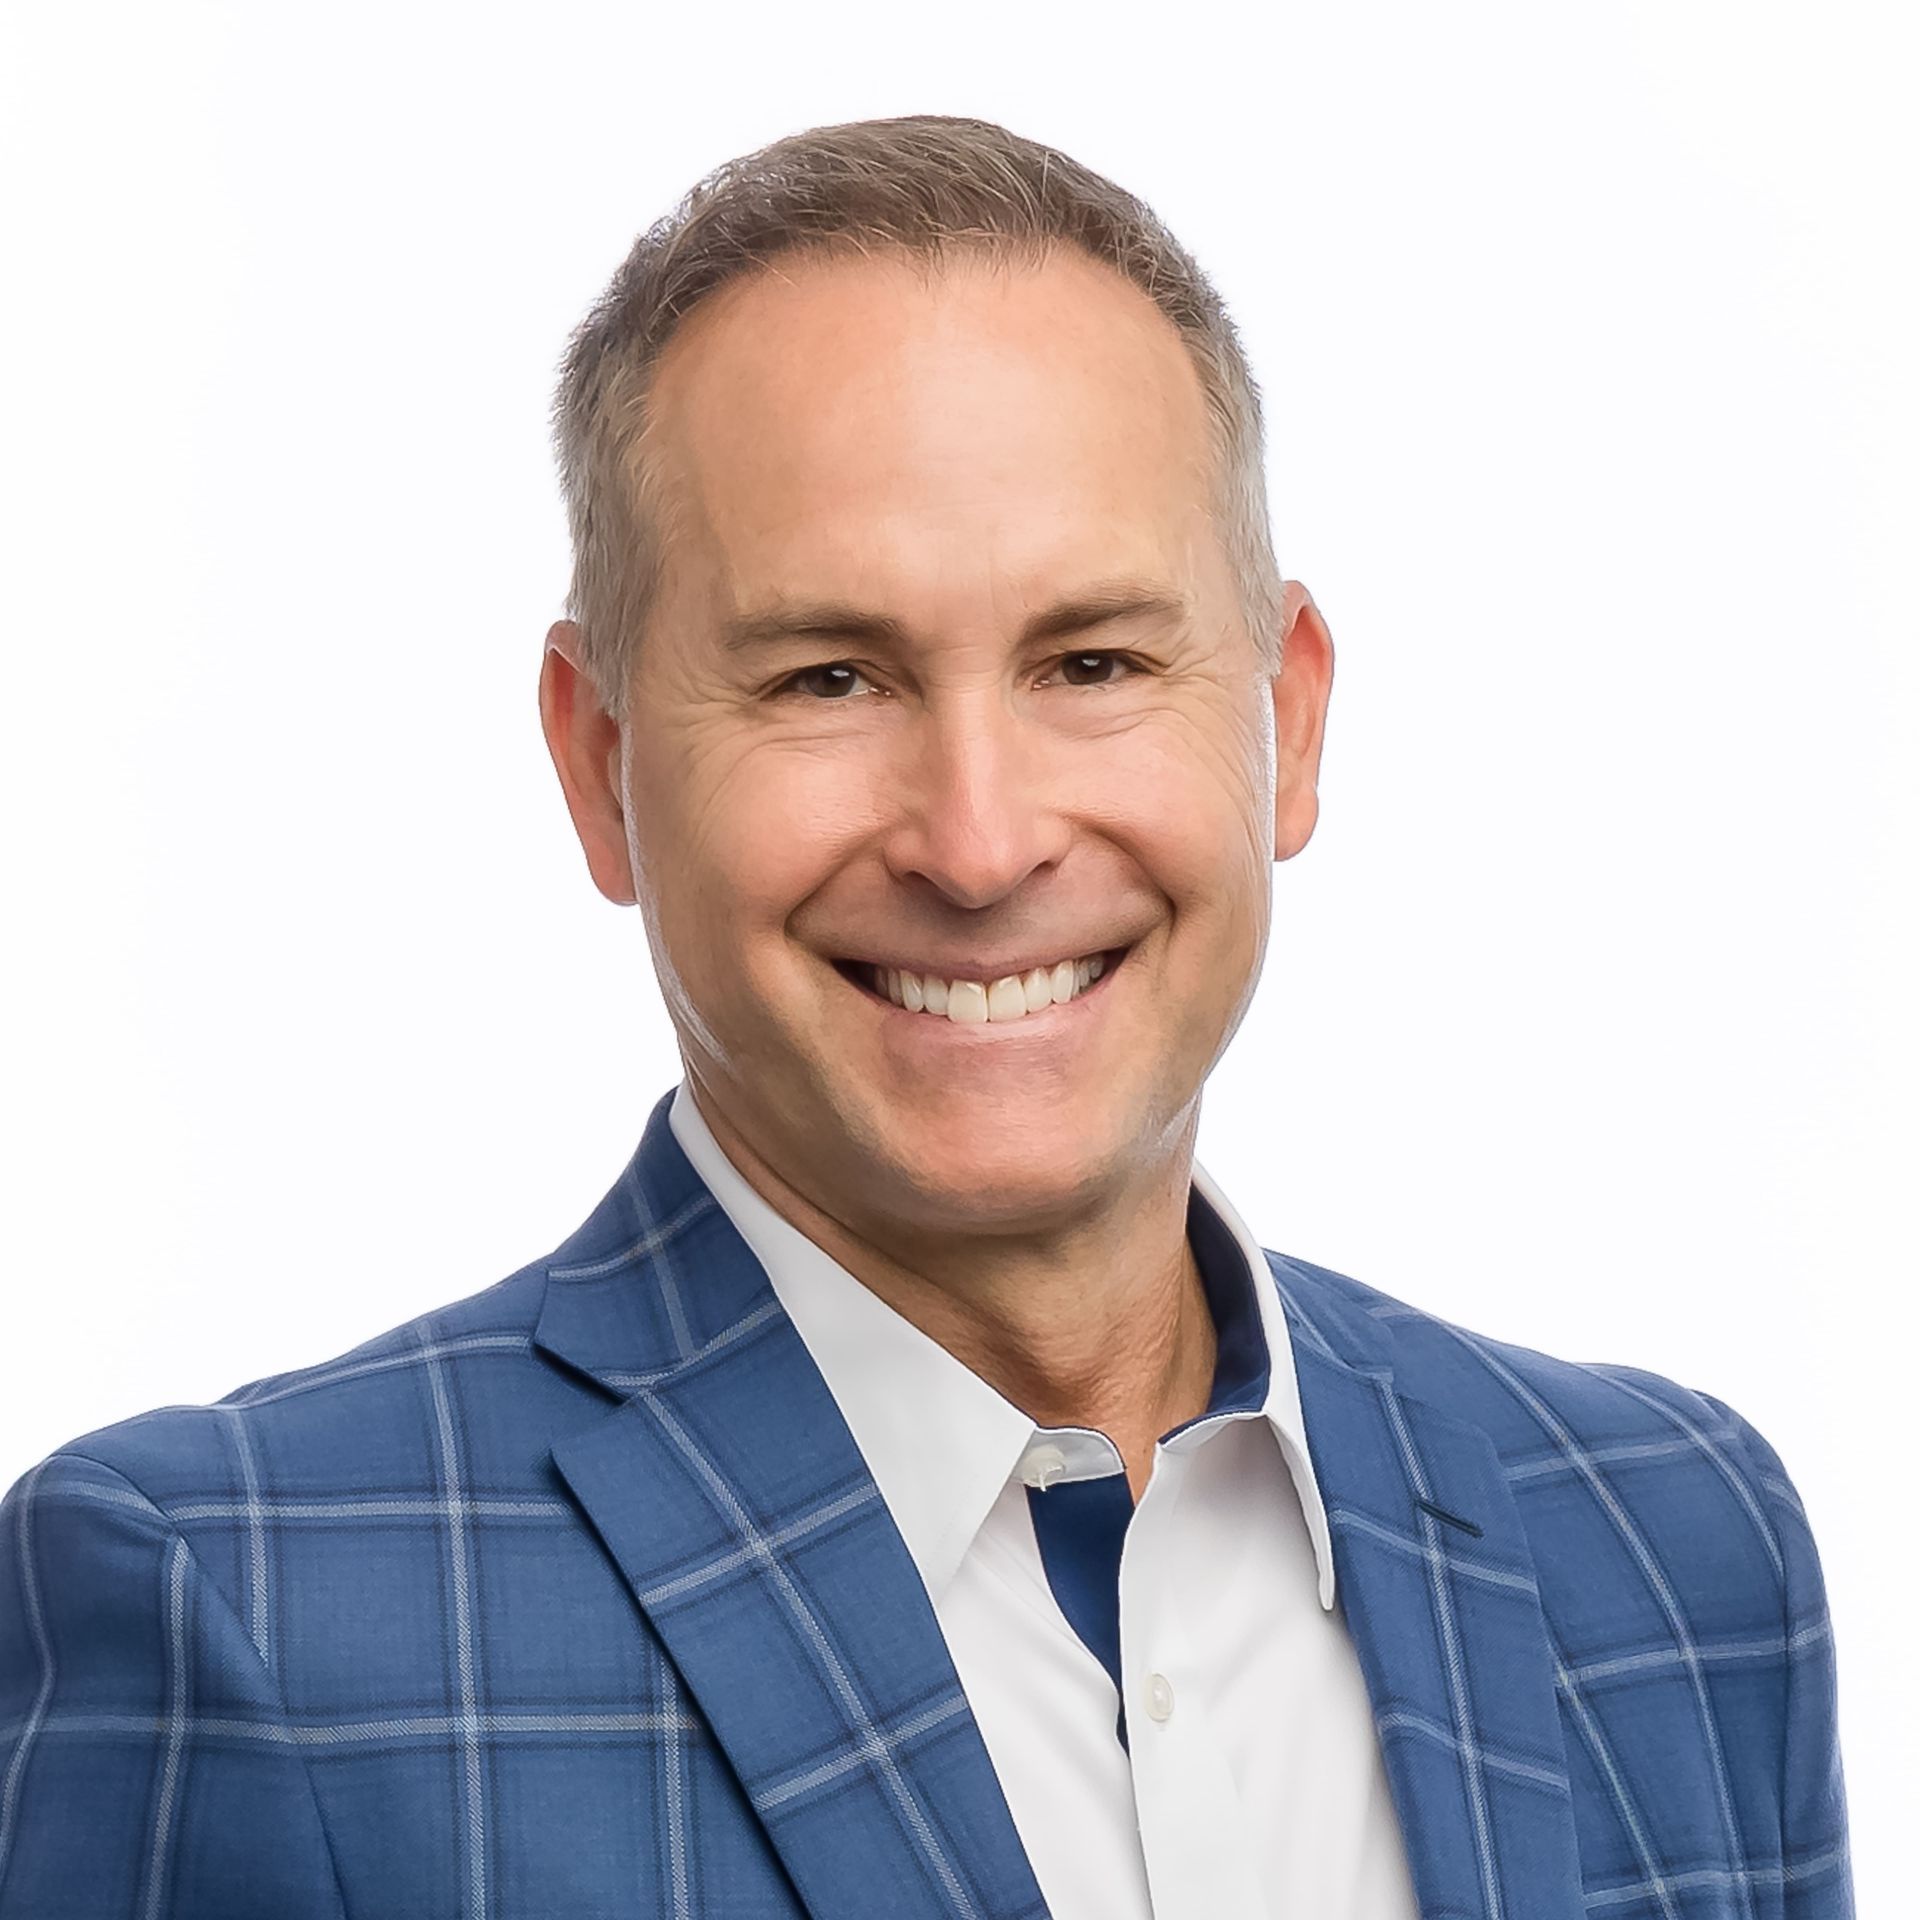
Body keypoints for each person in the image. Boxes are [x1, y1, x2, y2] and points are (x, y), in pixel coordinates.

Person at [0, 114, 1851, 1920]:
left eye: (1095, 661)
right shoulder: (245, 1618)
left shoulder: (1675, 1553)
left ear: (1286, 721)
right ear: (601, 765)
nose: (979, 841)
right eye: (829, 675)